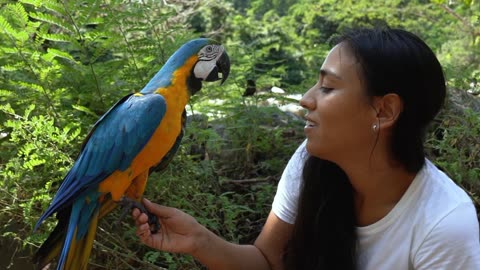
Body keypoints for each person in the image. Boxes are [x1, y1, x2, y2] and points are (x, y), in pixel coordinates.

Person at [132, 28, 480, 269]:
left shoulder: (444, 225)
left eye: (327, 87)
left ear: (384, 111)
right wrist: (198, 241)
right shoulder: (309, 161)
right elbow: (267, 262)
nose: (305, 99)